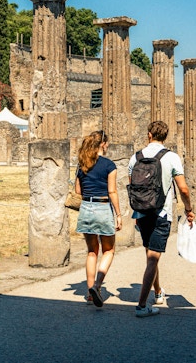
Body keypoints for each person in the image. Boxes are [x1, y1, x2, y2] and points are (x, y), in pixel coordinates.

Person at [128, 121, 194, 317]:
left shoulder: (135, 157)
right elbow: (183, 188)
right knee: (152, 258)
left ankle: (157, 292)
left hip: (141, 212)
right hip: (161, 214)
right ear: (165, 136)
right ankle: (141, 306)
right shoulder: (171, 157)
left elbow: (132, 186)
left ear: (149, 134)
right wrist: (189, 209)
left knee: (150, 256)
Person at [74, 130, 122, 307]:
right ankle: (97, 285)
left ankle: (89, 293)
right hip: (102, 208)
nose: (108, 146)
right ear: (102, 144)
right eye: (107, 143)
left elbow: (78, 191)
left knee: (91, 252)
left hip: (86, 207)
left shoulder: (82, 164)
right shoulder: (109, 165)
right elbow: (112, 191)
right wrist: (118, 215)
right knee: (108, 250)